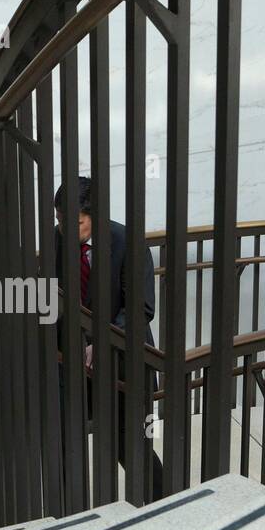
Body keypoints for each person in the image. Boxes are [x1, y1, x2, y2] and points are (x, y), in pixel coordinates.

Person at [54, 176, 165, 502]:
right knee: (64, 439)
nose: (65, 229)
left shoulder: (128, 242)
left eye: (74, 222)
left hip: (123, 363)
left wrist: (102, 343)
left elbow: (140, 307)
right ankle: (70, 514)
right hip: (74, 363)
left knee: (132, 445)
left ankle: (163, 502)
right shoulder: (57, 240)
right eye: (60, 220)